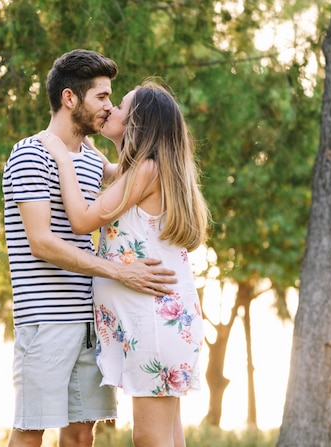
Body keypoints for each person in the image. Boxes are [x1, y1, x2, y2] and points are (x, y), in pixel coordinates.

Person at [3, 50, 178, 447]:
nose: (109, 107)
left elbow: (139, 180)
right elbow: (42, 242)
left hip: (89, 322)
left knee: (82, 435)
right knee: (31, 432)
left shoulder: (92, 161)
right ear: (70, 99)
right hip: (46, 319)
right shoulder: (31, 153)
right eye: (101, 97)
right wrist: (119, 271)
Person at [39, 79, 210, 447]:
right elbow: (117, 174)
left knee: (149, 438)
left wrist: (62, 157)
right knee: (168, 438)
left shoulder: (146, 171)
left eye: (120, 107)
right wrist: (97, 157)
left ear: (137, 125)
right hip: (156, 321)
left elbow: (82, 220)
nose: (110, 109)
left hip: (153, 321)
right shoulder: (144, 171)